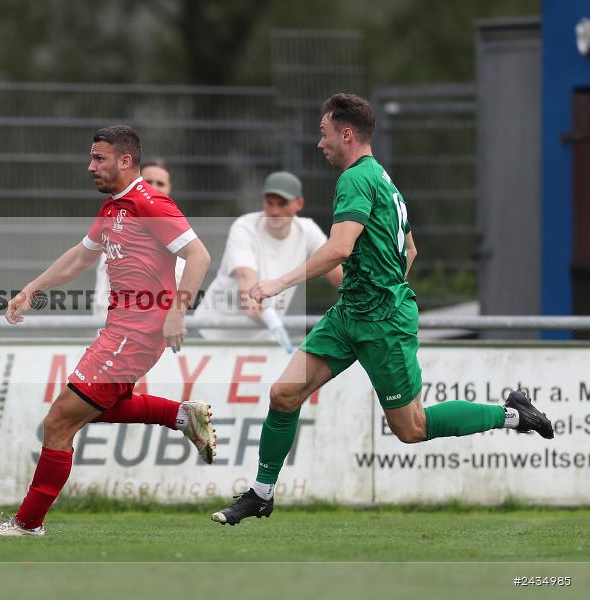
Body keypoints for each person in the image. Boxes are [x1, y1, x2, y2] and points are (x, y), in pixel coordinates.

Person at [212, 93, 554, 526]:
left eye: (324, 133)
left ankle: (513, 414)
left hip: (381, 323)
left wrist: (278, 283)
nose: (320, 143)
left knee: (411, 428)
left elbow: (339, 248)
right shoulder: (384, 180)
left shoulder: (356, 179)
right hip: (350, 314)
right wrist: (380, 283)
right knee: (284, 394)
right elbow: (410, 249)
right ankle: (261, 494)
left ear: (346, 134)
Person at [0, 125, 216, 537]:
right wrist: (32, 289)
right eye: (91, 158)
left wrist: (178, 309)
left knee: (59, 420)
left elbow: (199, 255)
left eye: (98, 158)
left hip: (136, 334)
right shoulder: (112, 209)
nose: (91, 167)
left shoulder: (149, 202)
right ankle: (181, 416)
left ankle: (27, 523)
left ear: (125, 161)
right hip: (120, 331)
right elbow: (79, 258)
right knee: (95, 408)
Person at [195, 171, 342, 350]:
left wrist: (366, 302)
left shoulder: (308, 231)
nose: (274, 211)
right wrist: (267, 313)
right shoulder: (244, 227)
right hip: (210, 336)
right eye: (269, 203)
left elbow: (337, 273)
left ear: (299, 204)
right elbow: (247, 284)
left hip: (263, 342)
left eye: (282, 204)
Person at [92, 159, 185, 317]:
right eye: (148, 182)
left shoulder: (181, 237)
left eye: (160, 184)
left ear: (169, 190)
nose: (154, 188)